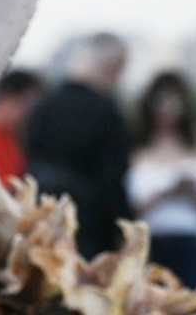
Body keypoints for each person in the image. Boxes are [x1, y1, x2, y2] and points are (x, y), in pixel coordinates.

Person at [126, 71, 196, 289]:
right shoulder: (135, 148)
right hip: (150, 244)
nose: (168, 112)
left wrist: (193, 193)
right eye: (161, 103)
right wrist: (163, 194)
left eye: (175, 104)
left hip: (193, 246)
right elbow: (126, 208)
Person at [24, 33, 132, 258]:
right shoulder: (107, 114)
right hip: (89, 233)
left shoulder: (43, 107)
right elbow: (112, 183)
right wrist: (124, 232)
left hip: (41, 225)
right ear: (113, 67)